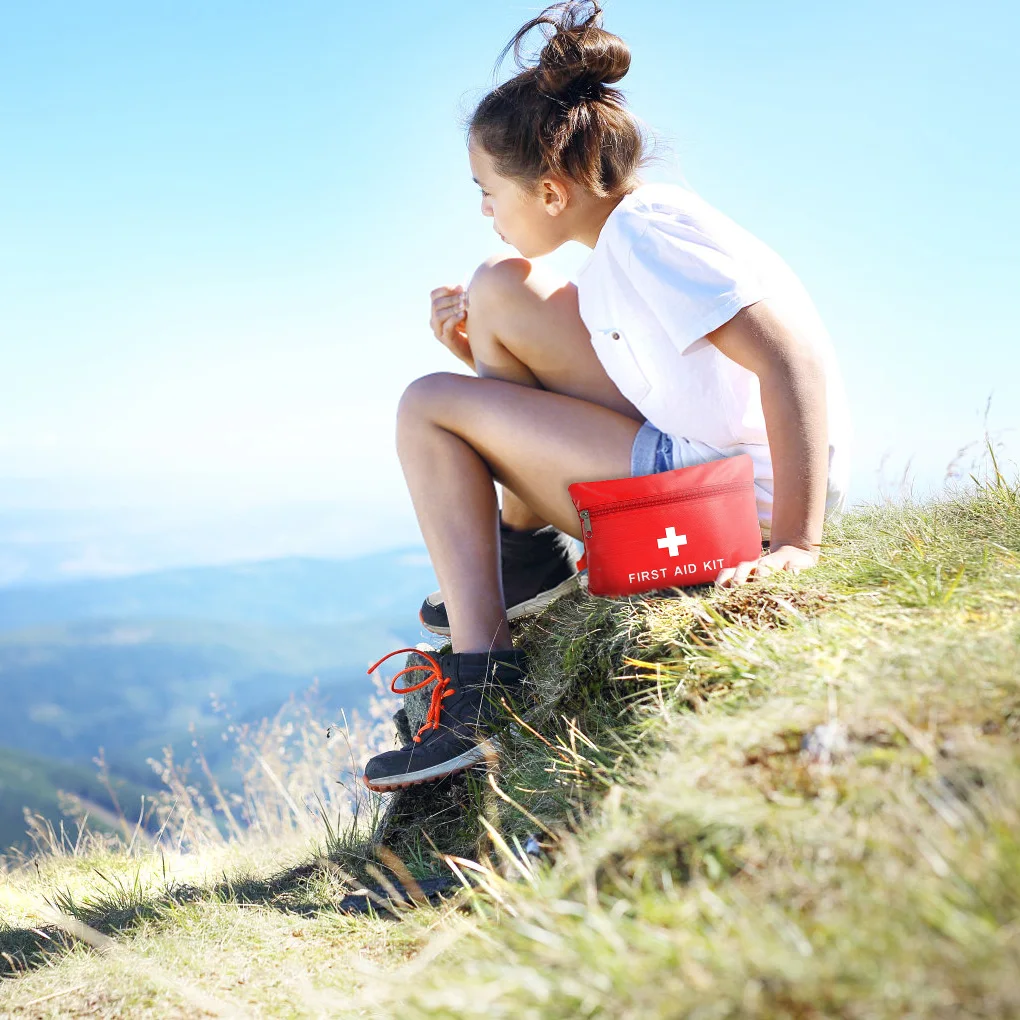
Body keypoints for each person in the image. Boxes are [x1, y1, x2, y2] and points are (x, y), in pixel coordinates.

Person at [360, 0, 852, 792]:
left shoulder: (649, 238)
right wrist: (482, 359)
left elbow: (792, 360)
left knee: (425, 403)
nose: (484, 208)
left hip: (728, 508)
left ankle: (484, 683)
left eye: (487, 189)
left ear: (551, 194)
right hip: (701, 462)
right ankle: (523, 563)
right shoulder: (633, 231)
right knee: (497, 289)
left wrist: (797, 542)